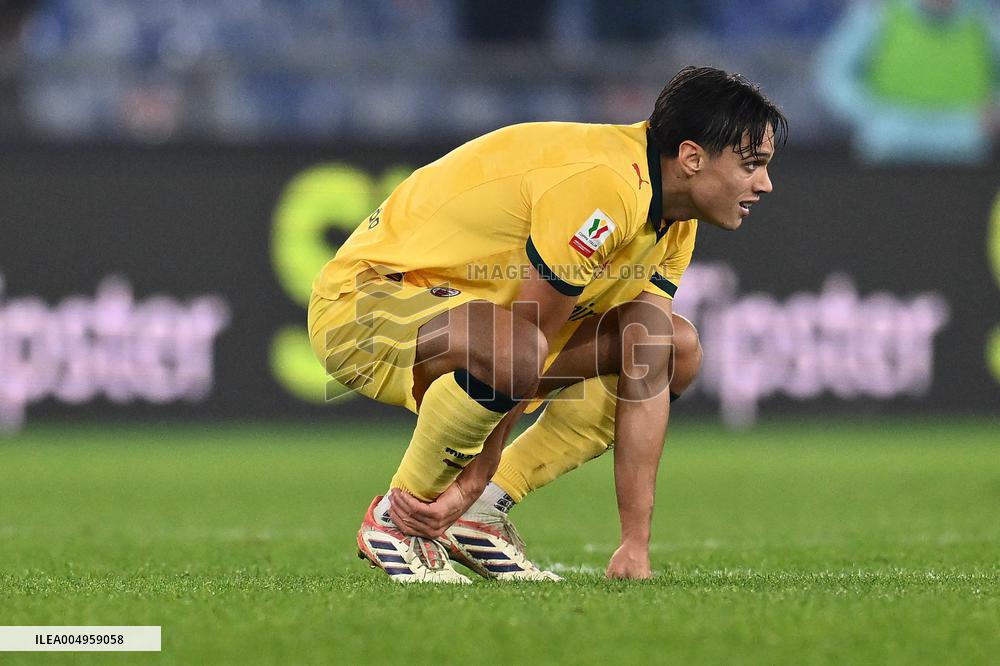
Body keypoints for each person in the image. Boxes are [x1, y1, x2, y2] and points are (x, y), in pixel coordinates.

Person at [308, 66, 786, 583]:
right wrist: (468, 477)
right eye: (752, 165)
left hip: (475, 326)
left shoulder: (674, 222)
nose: (765, 184)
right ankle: (400, 520)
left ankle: (481, 513)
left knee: (670, 347)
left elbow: (641, 363)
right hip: (364, 307)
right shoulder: (604, 188)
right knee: (516, 350)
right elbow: (526, 339)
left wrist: (634, 544)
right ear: (692, 158)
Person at [816, 0, 1000, 165]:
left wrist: (992, 113)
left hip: (966, 146)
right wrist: (873, 116)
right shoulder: (880, 12)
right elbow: (833, 73)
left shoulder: (984, 17)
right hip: (889, 146)